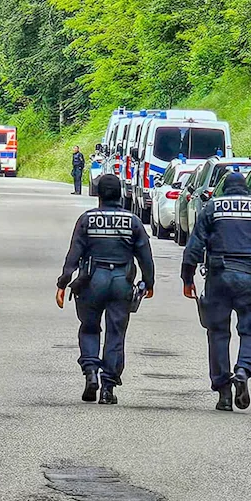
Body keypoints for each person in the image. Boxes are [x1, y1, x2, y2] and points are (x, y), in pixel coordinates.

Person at [181, 171, 251, 411]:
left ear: (224, 189)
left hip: (218, 275)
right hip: (250, 277)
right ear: (246, 188)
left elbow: (195, 244)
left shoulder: (213, 207)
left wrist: (187, 277)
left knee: (217, 333)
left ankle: (223, 393)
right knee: (250, 330)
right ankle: (243, 370)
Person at [56, 173, 155, 405]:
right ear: (120, 193)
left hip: (91, 281)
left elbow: (74, 253)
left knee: (90, 328)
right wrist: (148, 283)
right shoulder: (133, 221)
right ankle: (108, 387)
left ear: (98, 194)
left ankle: (91, 371)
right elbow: (145, 256)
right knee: (116, 333)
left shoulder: (86, 219)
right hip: (122, 282)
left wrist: (63, 282)